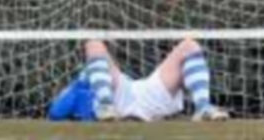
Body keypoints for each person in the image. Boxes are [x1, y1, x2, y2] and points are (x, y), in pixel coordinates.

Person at [49, 38, 229, 122]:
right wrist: (81, 81)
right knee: (93, 43)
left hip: (142, 93)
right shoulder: (84, 83)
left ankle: (203, 108)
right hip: (116, 102)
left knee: (190, 45)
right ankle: (106, 105)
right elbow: (55, 113)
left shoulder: (101, 75)